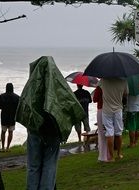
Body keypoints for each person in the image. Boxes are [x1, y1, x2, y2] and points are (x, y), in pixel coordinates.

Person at [16, 56, 85, 190]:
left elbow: (24, 106)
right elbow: (72, 105)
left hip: (35, 132)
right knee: (49, 165)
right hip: (53, 132)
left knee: (33, 166)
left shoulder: (31, 86)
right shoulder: (59, 85)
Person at [101, 78, 128, 161]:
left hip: (106, 109)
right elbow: (126, 93)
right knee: (118, 132)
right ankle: (119, 154)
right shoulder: (123, 81)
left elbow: (99, 89)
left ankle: (111, 157)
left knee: (109, 132)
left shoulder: (103, 80)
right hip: (118, 109)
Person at [0, 83, 20, 151]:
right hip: (12, 117)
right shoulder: (17, 97)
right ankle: (7, 147)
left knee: (3, 132)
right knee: (10, 132)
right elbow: (19, 107)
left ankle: (3, 147)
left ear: (6, 88)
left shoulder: (2, 96)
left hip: (4, 117)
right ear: (12, 88)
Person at [93, 85, 110, 162]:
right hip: (110, 109)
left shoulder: (100, 86)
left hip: (101, 110)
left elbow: (95, 99)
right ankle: (109, 154)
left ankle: (103, 156)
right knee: (109, 131)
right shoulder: (111, 84)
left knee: (101, 133)